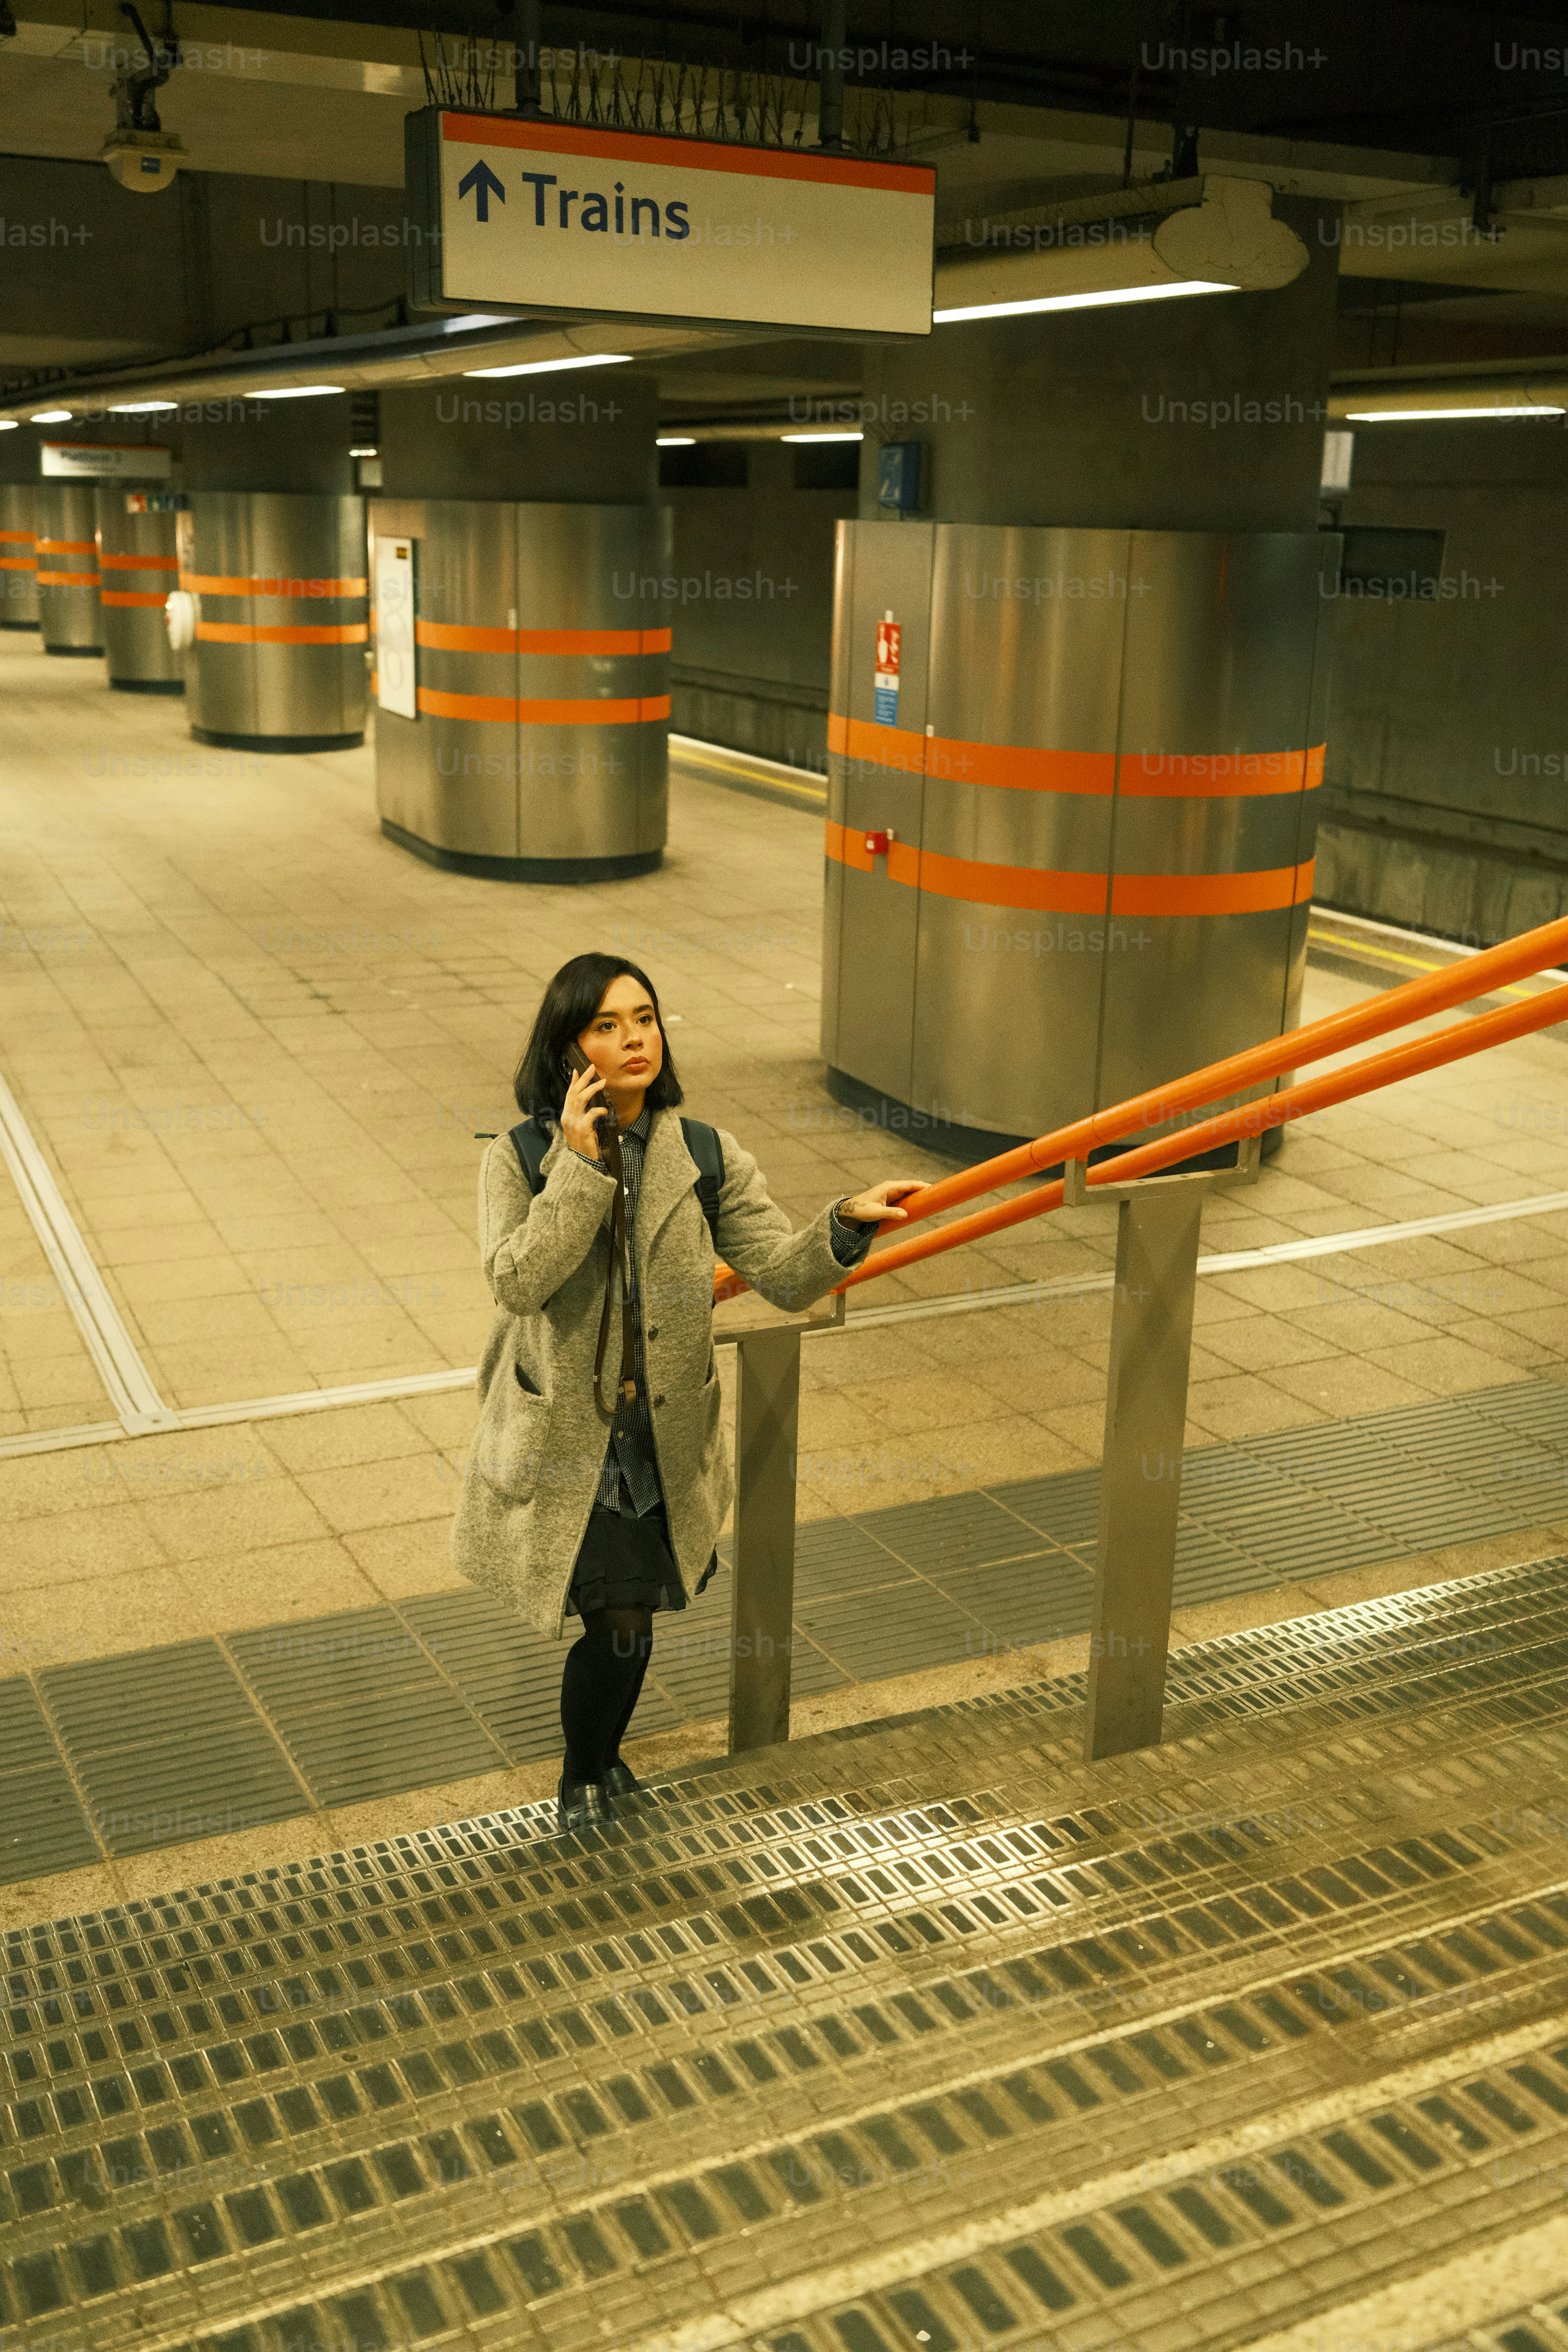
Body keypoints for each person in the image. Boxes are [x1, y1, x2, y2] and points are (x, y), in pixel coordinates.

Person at [450, 951, 923, 1832]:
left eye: (645, 1018)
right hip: (565, 1436)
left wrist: (844, 1224)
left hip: (655, 1431)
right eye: (606, 1026)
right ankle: (582, 1776)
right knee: (617, 1619)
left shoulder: (704, 1153)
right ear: (569, 1053)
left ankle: (602, 1760)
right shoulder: (519, 1159)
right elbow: (517, 1284)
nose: (635, 1040)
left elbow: (780, 1274)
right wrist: (581, 1171)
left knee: (629, 1625)